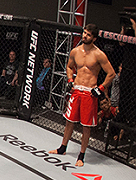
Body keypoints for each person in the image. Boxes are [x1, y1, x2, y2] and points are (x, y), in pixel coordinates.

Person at [49, 24, 116, 167]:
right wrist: (70, 79)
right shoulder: (75, 51)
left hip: (89, 93)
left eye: (88, 34)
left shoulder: (99, 54)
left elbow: (111, 73)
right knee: (69, 121)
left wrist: (101, 88)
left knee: (86, 126)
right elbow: (69, 66)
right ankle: (62, 148)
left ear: (94, 38)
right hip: (76, 90)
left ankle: (81, 155)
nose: (85, 36)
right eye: (84, 33)